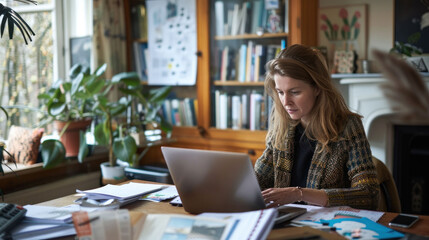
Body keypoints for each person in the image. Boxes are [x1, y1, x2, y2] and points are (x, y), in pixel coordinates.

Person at [255, 44, 380, 210]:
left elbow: (369, 194)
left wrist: (299, 193)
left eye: (295, 92)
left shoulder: (347, 127)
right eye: (280, 92)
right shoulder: (282, 126)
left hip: (329, 226)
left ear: (317, 88)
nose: (286, 102)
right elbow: (259, 179)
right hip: (287, 222)